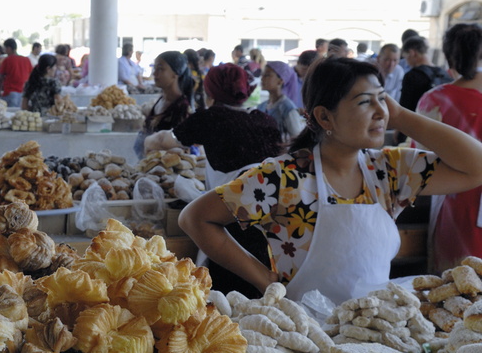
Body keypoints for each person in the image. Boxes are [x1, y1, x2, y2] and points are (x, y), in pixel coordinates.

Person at [178, 57, 482, 304]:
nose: (380, 112)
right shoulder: (283, 178)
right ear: (325, 118)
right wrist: (262, 279)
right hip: (307, 339)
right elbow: (195, 218)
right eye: (365, 102)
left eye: (382, 100)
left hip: (379, 331)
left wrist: (401, 116)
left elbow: (476, 167)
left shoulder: (389, 170)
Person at [145, 63, 284, 297]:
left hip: (230, 228)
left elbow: (165, 141)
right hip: (273, 232)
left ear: (210, 91)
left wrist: (149, 141)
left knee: (229, 306)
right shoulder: (265, 119)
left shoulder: (211, 118)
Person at [417, 23, 482, 273]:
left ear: (450, 56)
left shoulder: (436, 99)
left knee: (455, 288)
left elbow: (419, 157)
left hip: (454, 203)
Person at [133, 50, 193, 158]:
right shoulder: (160, 101)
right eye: (155, 68)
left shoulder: (182, 108)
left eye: (160, 69)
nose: (155, 73)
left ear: (175, 74)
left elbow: (182, 151)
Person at [399, 35, 452, 112]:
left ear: (412, 53)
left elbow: (404, 109)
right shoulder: (445, 74)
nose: (406, 62)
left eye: (406, 57)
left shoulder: (411, 76)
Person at [257, 61, 305, 141]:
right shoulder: (262, 106)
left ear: (280, 81)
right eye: (262, 75)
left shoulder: (288, 109)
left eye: (267, 75)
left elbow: (297, 139)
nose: (262, 78)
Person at [0, 38, 32, 108]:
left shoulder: (7, 60)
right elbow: (31, 75)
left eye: (5, 48)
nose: (4, 51)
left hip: (10, 92)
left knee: (9, 114)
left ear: (9, 48)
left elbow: (0, 78)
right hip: (24, 93)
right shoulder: (26, 60)